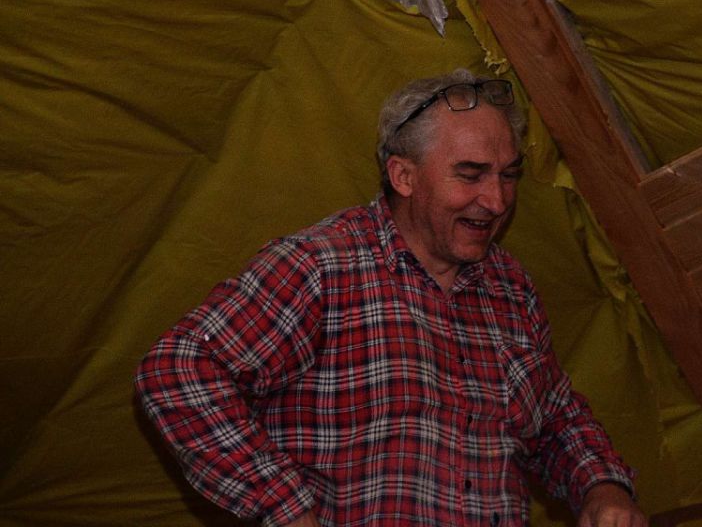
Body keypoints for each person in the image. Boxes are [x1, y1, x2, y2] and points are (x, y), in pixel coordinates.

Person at [135, 68, 647, 527]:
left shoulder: (511, 289)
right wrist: (284, 507)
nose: (495, 201)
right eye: (470, 174)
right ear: (403, 176)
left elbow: (554, 418)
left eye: (508, 175)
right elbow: (179, 369)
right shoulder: (321, 265)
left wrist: (602, 488)